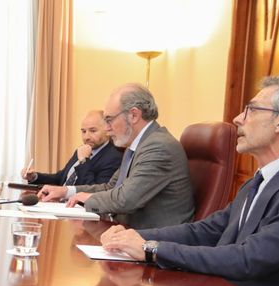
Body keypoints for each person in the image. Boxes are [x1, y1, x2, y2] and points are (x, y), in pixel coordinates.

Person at [101, 76, 279, 286]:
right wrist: (135, 237)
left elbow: (247, 258)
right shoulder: (261, 180)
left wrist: (151, 249)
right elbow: (207, 230)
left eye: (252, 110)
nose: (237, 119)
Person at [38, 84, 193, 229]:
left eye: (109, 120)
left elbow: (126, 199)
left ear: (133, 115)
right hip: (128, 233)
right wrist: (66, 191)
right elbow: (111, 187)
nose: (107, 128)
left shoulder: (159, 147)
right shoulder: (136, 146)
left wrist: (87, 198)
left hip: (154, 242)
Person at [21, 110, 122, 186]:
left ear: (107, 130)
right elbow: (61, 178)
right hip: (60, 204)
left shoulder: (114, 157)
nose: (86, 137)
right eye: (83, 131)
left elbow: (94, 191)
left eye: (93, 131)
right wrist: (34, 176)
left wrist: (84, 161)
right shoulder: (81, 150)